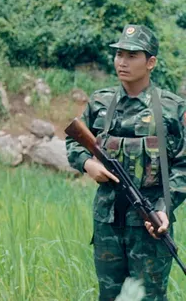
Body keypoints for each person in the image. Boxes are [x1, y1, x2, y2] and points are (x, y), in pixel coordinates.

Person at [65, 24, 186, 301]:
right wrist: (88, 165)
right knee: (110, 295)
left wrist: (166, 208)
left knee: (149, 297)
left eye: (132, 55)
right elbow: (73, 141)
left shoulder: (172, 108)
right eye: (119, 54)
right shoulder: (100, 102)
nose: (122, 61)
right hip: (107, 221)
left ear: (151, 62)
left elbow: (183, 164)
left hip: (151, 222)